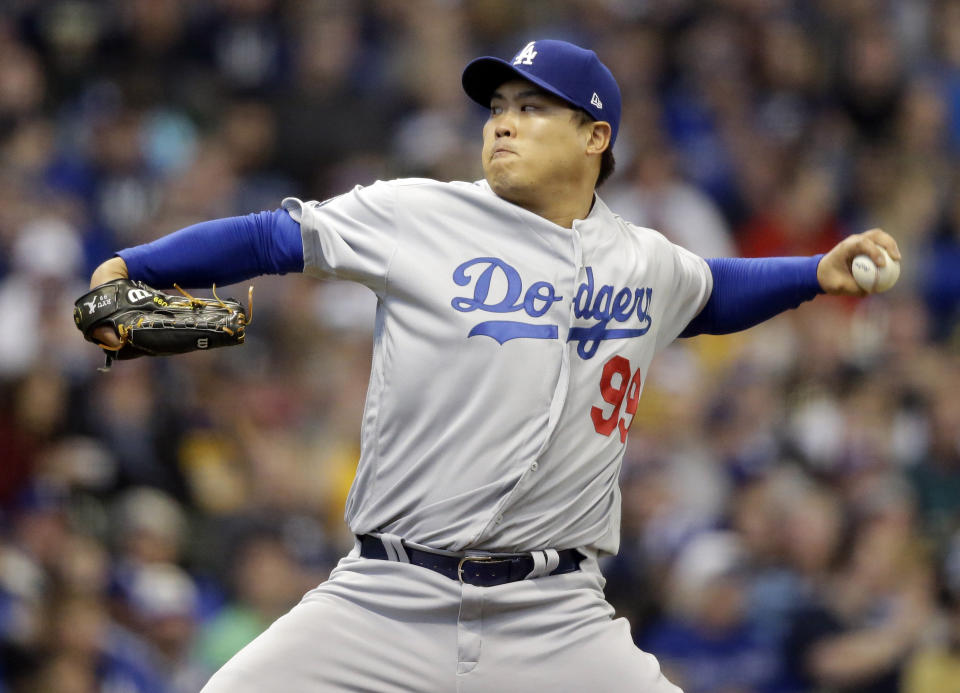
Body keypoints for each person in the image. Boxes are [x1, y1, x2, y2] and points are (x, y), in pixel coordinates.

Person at [84, 40, 900, 692]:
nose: (502, 123)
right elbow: (271, 236)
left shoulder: (643, 260)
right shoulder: (418, 212)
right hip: (385, 596)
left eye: (532, 108)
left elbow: (710, 290)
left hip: (555, 616)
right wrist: (136, 266)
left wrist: (811, 274)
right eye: (498, 108)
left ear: (595, 136)